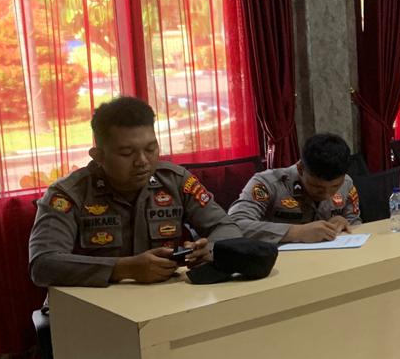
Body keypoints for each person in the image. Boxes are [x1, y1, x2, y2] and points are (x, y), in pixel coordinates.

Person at [28, 96, 242, 287]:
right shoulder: (68, 194)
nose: (142, 161)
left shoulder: (175, 181)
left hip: (164, 302)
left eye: (150, 149)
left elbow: (226, 227)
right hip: (93, 309)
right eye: (126, 153)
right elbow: (43, 264)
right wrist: (122, 268)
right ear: (98, 156)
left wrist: (210, 249)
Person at [229, 133, 362, 244]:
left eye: (335, 187)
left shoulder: (346, 183)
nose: (327, 195)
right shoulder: (268, 183)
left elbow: (357, 226)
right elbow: (234, 225)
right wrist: (295, 232)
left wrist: (343, 224)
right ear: (300, 169)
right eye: (317, 187)